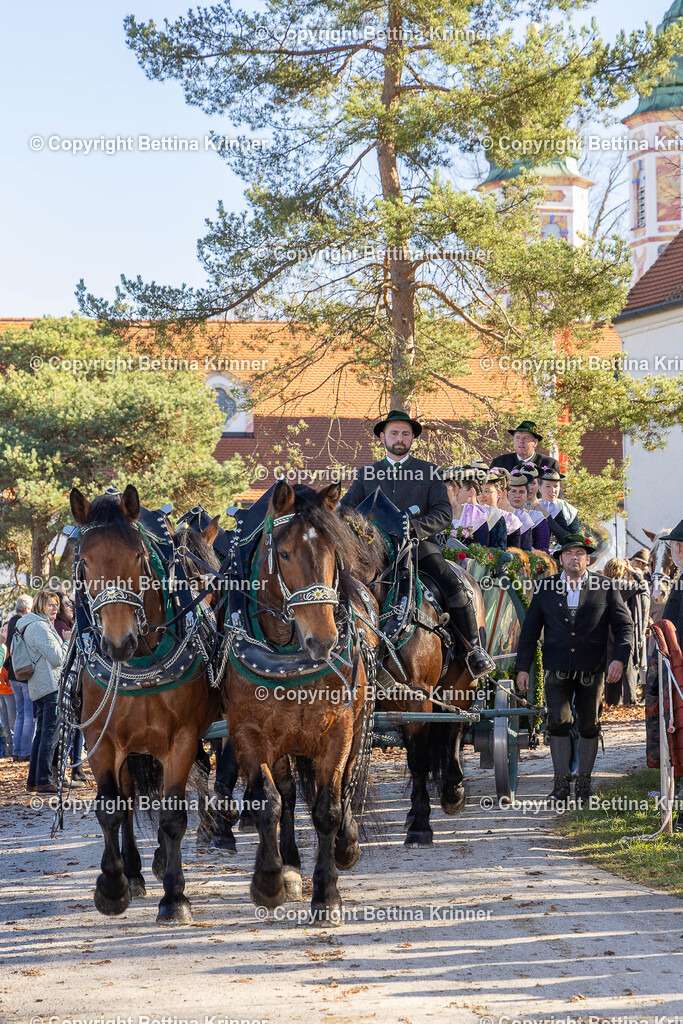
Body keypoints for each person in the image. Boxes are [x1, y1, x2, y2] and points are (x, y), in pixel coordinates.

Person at [340, 410, 494, 677]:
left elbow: (444, 514)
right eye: (394, 433)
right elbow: (345, 511)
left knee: (452, 583)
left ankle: (473, 651)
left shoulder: (430, 472)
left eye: (405, 434)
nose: (399, 439)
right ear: (382, 437)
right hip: (374, 552)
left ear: (412, 439)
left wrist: (413, 528)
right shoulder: (367, 473)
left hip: (419, 546)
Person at [515, 534, 633, 804]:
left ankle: (583, 785)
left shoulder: (606, 586)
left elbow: (625, 627)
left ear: (588, 558)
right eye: (569, 554)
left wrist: (619, 659)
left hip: (592, 669)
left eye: (580, 553)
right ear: (560, 559)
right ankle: (560, 786)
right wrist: (523, 668)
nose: (574, 558)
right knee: (558, 722)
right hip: (556, 669)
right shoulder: (545, 588)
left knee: (590, 725)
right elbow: (530, 632)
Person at [20, 589, 66, 795]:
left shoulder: (33, 625)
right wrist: (67, 641)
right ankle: (45, 781)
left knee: (41, 735)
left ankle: (34, 781)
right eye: (51, 604)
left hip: (41, 687)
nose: (55, 608)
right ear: (40, 605)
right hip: (50, 687)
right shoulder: (39, 627)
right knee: (50, 734)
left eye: (56, 604)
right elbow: (57, 658)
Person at [602, 559, 649, 706]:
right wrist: (633, 572)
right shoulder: (621, 585)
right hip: (622, 628)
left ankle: (612, 701)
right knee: (626, 662)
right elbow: (643, 586)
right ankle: (630, 700)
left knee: (610, 663)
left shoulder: (602, 584)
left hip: (604, 628)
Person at [3, 595, 34, 763]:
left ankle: (17, 751)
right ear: (28, 608)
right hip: (25, 672)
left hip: (13, 672)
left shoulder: (11, 621)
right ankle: (26, 751)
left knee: (20, 713)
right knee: (28, 713)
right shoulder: (26, 622)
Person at [442, 466, 494, 547]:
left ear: (456, 490)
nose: (440, 494)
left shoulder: (476, 515)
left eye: (444, 490)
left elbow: (481, 550)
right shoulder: (434, 515)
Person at [489, 419, 561, 476]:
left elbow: (557, 492)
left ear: (535, 442)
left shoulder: (549, 464)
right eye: (517, 438)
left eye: (526, 438)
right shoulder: (499, 463)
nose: (521, 441)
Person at [507, 469, 542, 552]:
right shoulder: (502, 514)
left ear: (527, 495)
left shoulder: (533, 516)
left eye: (521, 492)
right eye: (513, 491)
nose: (517, 495)